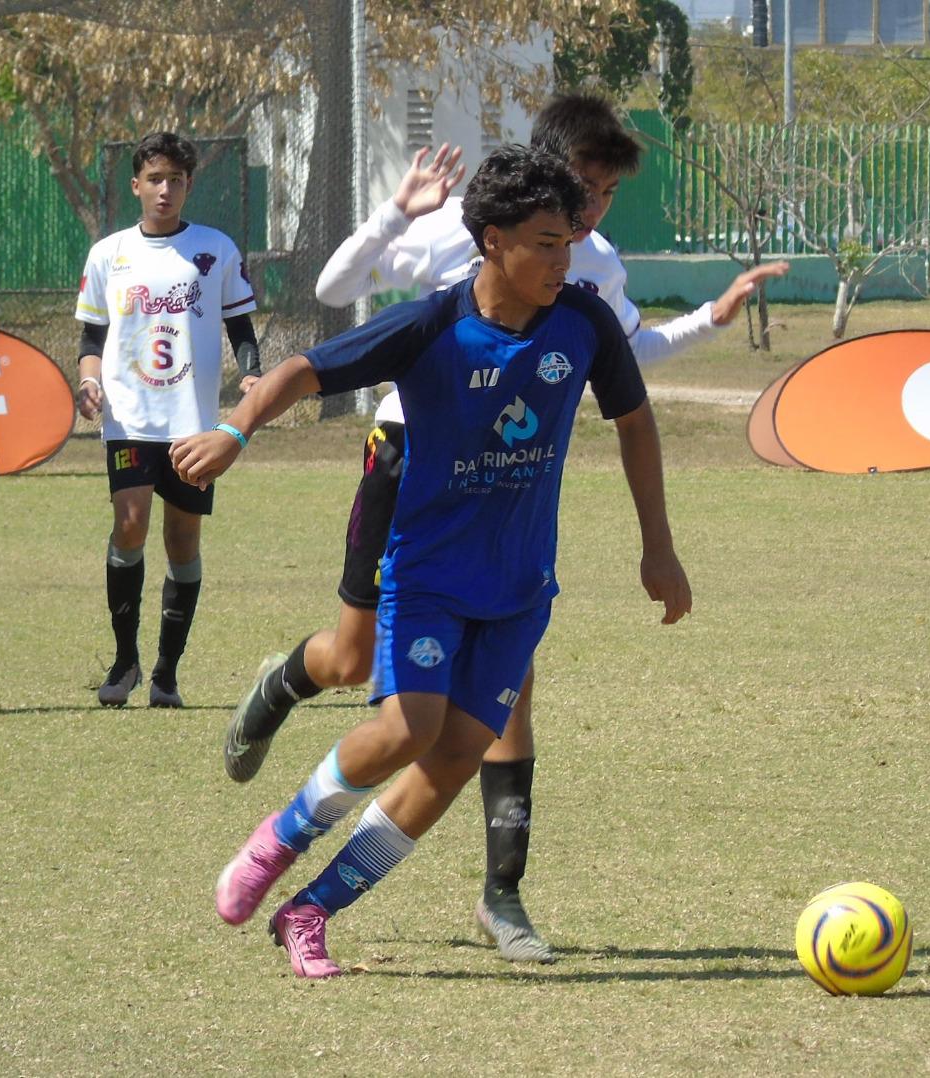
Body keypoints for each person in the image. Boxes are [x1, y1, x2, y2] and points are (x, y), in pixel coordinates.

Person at [219, 93, 784, 963]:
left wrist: (658, 547)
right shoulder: (437, 312)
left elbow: (634, 416)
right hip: (426, 550)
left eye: (580, 228)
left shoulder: (585, 312)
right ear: (495, 241)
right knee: (398, 716)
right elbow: (306, 361)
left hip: (521, 586)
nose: (573, 251)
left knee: (453, 761)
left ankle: (316, 910)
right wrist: (232, 430)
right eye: (553, 240)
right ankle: (279, 837)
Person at [74, 131, 261, 707]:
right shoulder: (109, 253)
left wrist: (252, 375)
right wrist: (88, 378)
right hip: (129, 418)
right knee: (129, 525)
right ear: (136, 185)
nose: (164, 189)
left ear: (188, 185)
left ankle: (166, 674)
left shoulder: (215, 249)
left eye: (175, 180)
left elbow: (241, 328)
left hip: (192, 424)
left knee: (182, 539)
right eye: (154, 179)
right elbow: (91, 335)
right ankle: (125, 660)